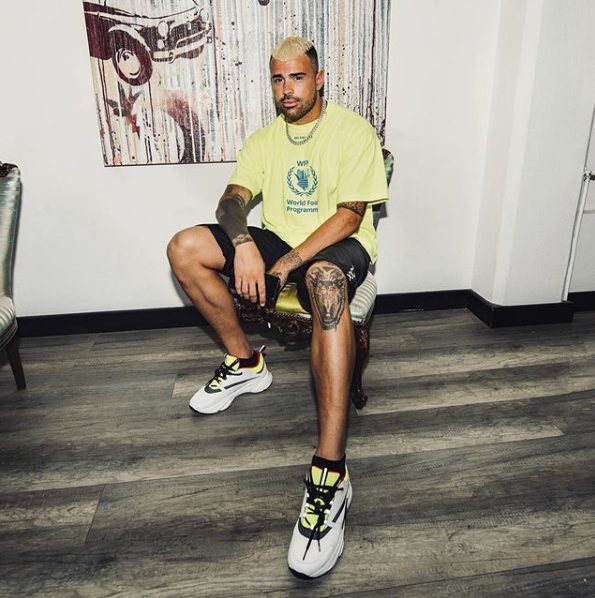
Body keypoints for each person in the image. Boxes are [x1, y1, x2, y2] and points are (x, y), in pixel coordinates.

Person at [167, 36, 388, 579]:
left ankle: (331, 473)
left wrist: (287, 263)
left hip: (340, 245)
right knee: (185, 247)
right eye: (278, 79)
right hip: (279, 239)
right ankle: (246, 363)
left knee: (324, 279)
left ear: (319, 79)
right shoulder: (265, 139)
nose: (287, 89)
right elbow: (231, 202)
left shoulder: (354, 131)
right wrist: (244, 242)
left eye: (297, 77)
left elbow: (349, 216)